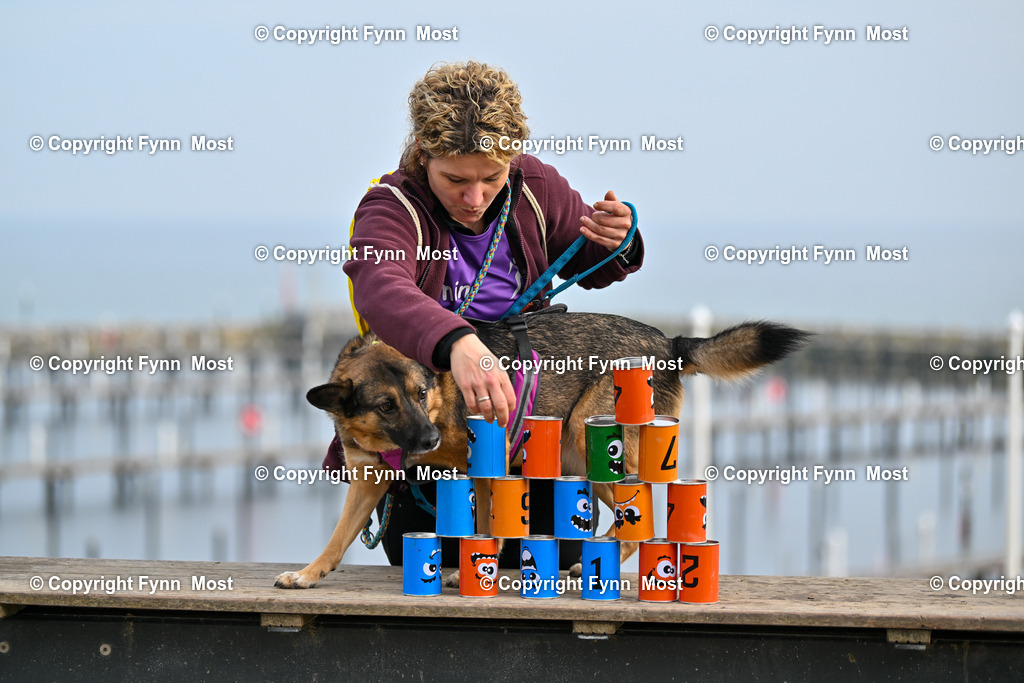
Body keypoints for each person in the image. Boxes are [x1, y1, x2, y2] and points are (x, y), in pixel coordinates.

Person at [324, 60, 644, 567]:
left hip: (534, 444)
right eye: (455, 180)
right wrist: (458, 342)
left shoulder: (535, 185)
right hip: (432, 455)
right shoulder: (389, 209)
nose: (474, 198)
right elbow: (380, 287)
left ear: (512, 159)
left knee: (547, 583)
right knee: (439, 591)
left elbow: (589, 261)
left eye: (492, 178)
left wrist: (618, 239)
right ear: (423, 156)